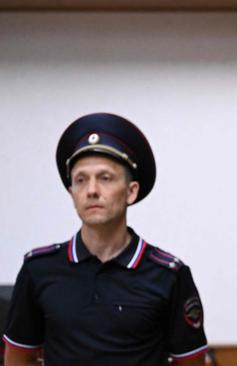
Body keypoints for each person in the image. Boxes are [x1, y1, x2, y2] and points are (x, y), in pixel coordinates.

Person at [2, 113, 208, 366]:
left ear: (131, 192)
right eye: (80, 180)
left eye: (105, 178)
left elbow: (191, 363)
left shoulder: (168, 275)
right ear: (72, 193)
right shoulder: (39, 270)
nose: (91, 190)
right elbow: (18, 358)